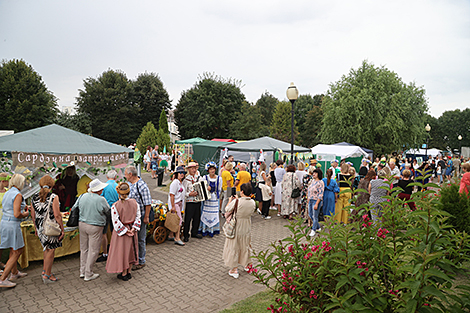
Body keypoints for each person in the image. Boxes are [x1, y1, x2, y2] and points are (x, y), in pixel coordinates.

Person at [71, 179, 110, 281]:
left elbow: (74, 208)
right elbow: (107, 211)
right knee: (93, 250)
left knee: (84, 248)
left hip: (82, 224)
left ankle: (82, 271)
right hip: (95, 226)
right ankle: (88, 273)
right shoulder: (101, 199)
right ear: (98, 190)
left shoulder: (82, 196)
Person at [31, 175, 65, 283]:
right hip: (50, 227)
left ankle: (45, 270)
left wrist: (36, 227)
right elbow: (57, 215)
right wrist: (62, 228)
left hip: (40, 226)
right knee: (51, 250)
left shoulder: (34, 197)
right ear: (52, 185)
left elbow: (33, 214)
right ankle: (48, 274)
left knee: (46, 249)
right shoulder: (53, 197)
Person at [106, 182, 140, 281]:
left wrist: (125, 231)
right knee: (130, 250)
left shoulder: (115, 206)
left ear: (118, 192)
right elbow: (138, 216)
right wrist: (133, 228)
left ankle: (124, 273)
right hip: (132, 230)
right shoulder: (135, 202)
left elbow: (115, 221)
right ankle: (129, 271)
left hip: (122, 232)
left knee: (122, 252)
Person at [0, 174, 29, 288]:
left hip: (5, 222)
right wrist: (25, 214)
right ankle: (3, 279)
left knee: (13, 248)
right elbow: (17, 214)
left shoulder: (8, 192)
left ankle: (14, 272)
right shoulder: (17, 194)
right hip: (12, 224)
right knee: (17, 250)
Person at [223, 183, 256, 279]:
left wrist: (230, 201)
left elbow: (227, 209)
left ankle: (234, 269)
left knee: (234, 246)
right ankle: (248, 265)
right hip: (247, 225)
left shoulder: (238, 202)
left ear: (242, 191)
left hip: (237, 225)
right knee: (246, 245)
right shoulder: (252, 202)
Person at [125, 166, 152, 270]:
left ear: (131, 175)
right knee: (133, 239)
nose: (125, 176)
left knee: (140, 239)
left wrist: (146, 217)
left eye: (126, 174)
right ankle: (134, 258)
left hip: (140, 217)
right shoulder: (130, 184)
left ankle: (141, 260)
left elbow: (148, 203)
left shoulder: (142, 186)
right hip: (131, 217)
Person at [97, 170, 119, 263]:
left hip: (106, 211)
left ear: (106, 176)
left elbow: (100, 198)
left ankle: (105, 253)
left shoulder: (104, 186)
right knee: (116, 231)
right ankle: (117, 252)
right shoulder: (118, 186)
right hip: (116, 211)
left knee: (104, 233)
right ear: (115, 177)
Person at [199, 162, 222, 237]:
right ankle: (204, 229)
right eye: (211, 169)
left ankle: (213, 229)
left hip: (214, 198)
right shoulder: (205, 177)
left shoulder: (219, 178)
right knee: (205, 213)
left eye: (213, 169)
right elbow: (202, 187)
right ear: (208, 170)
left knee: (213, 214)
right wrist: (206, 188)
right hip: (207, 198)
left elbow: (219, 189)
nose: (212, 170)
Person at [183, 162, 203, 242]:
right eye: (192, 168)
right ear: (188, 169)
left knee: (197, 217)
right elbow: (183, 192)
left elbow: (202, 187)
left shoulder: (199, 178)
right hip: (190, 201)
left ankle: (194, 232)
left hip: (198, 200)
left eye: (195, 168)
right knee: (188, 218)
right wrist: (189, 194)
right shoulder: (186, 179)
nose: (194, 170)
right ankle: (186, 234)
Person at [168, 166, 186, 245]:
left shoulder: (180, 182)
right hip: (175, 203)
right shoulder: (175, 182)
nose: (182, 174)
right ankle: (177, 237)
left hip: (179, 203)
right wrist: (173, 206)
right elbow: (172, 195)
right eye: (180, 173)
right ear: (177, 174)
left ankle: (171, 234)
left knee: (175, 219)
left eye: (183, 173)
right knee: (179, 220)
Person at [308, 169, 324, 237]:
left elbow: (321, 193)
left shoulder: (321, 182)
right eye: (313, 173)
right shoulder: (312, 181)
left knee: (315, 216)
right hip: (310, 199)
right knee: (310, 214)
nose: (314, 174)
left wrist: (317, 203)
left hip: (316, 200)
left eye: (315, 173)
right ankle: (318, 227)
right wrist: (308, 198)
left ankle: (313, 229)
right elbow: (309, 190)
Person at [0, 173, 10, 270]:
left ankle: (1, 261)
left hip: (6, 217)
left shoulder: (7, 191)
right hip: (0, 217)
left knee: (3, 242)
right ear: (3, 181)